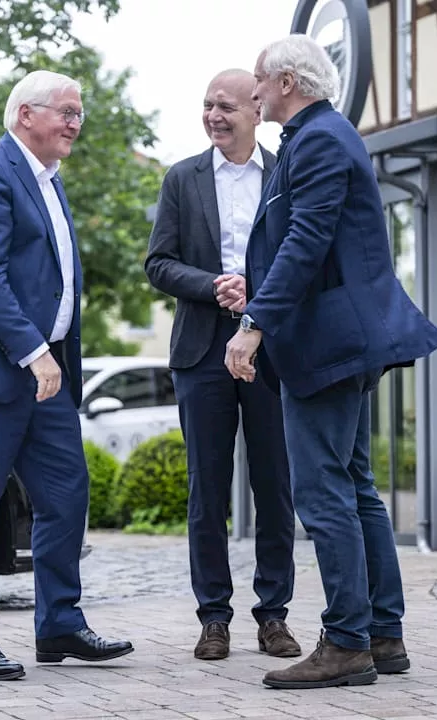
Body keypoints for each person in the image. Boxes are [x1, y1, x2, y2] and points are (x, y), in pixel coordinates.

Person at [225, 35, 437, 690]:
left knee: (325, 491)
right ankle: (383, 632)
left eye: (261, 82)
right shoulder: (325, 135)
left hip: (328, 345)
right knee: (354, 488)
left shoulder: (319, 138)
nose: (256, 92)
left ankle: (347, 640)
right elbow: (308, 245)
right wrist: (258, 288)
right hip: (342, 338)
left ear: (288, 82)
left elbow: (307, 238)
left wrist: (254, 323)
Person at [0, 69, 134, 682]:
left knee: (67, 494)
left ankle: (60, 625)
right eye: (66, 112)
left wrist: (53, 360)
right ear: (25, 116)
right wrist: (34, 351)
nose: (75, 123)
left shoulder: (50, 181)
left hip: (47, 378)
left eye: (79, 114)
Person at [145, 69, 300, 662]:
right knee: (206, 492)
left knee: (275, 486)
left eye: (226, 106)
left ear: (255, 110)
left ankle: (274, 616)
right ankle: (213, 618)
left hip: (270, 350)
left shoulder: (282, 174)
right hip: (201, 353)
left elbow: (297, 253)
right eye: (207, 105)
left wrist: (254, 291)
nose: (214, 115)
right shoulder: (182, 179)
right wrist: (215, 286)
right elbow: (158, 264)